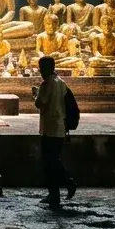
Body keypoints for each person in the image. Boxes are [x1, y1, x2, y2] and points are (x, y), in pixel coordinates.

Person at [33, 55, 77, 209]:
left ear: (49, 68)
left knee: (50, 162)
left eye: (42, 68)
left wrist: (36, 94)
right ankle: (55, 193)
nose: (40, 71)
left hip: (49, 128)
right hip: (59, 127)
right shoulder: (61, 83)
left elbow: (40, 103)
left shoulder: (47, 84)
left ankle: (66, 184)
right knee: (53, 160)